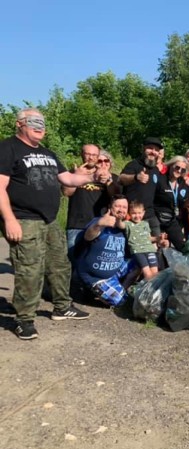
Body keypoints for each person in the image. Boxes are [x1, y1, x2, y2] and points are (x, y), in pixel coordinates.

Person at [0, 108, 93, 340]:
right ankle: (24, 320)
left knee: (59, 264)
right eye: (33, 121)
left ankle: (62, 307)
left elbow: (68, 179)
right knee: (29, 269)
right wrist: (9, 219)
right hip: (24, 219)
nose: (39, 125)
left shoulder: (48, 153)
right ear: (19, 123)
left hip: (50, 220)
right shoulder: (8, 148)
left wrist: (94, 177)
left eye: (41, 122)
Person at [75, 195, 135, 307]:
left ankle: (122, 287)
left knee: (140, 262)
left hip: (115, 270)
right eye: (117, 206)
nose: (121, 210)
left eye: (124, 207)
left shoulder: (124, 226)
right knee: (122, 302)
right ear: (110, 207)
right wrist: (99, 224)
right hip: (96, 277)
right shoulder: (99, 221)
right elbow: (88, 236)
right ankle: (89, 291)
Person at [64, 147, 120, 256]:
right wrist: (77, 176)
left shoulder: (111, 177)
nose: (102, 163)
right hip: (77, 225)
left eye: (105, 161)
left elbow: (116, 196)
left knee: (99, 258)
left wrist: (108, 181)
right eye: (100, 160)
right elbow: (67, 192)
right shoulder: (75, 172)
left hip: (102, 224)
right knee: (74, 258)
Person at [119, 137, 163, 236]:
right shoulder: (134, 165)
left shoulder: (155, 169)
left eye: (156, 150)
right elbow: (121, 179)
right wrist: (135, 177)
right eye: (150, 148)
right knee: (134, 247)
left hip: (150, 215)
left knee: (157, 246)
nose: (153, 152)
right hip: (133, 215)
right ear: (143, 149)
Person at [153, 156, 188, 251]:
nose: (179, 171)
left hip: (172, 220)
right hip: (157, 219)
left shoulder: (183, 183)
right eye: (177, 167)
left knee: (183, 247)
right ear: (171, 165)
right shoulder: (160, 180)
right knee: (159, 247)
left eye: (183, 170)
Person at [124, 200, 162, 281]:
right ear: (129, 213)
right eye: (134, 213)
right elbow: (120, 225)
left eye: (139, 213)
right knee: (147, 274)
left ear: (143, 212)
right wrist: (118, 219)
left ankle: (154, 290)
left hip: (150, 250)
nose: (137, 215)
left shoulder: (145, 223)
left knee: (155, 273)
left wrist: (158, 238)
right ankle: (148, 291)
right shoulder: (127, 223)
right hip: (138, 251)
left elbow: (149, 238)